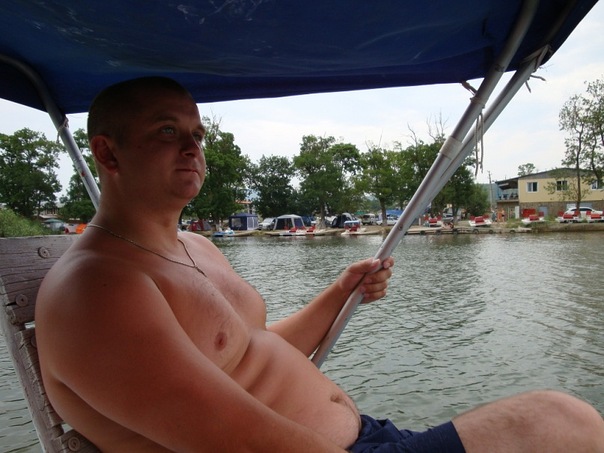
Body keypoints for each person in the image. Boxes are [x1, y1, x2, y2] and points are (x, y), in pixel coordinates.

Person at [36, 77, 604, 452]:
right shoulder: (97, 290)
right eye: (167, 131)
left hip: (364, 436)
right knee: (562, 425)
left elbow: (252, 352)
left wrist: (339, 292)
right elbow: (240, 444)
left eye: (197, 134)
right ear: (107, 152)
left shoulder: (193, 246)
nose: (193, 149)